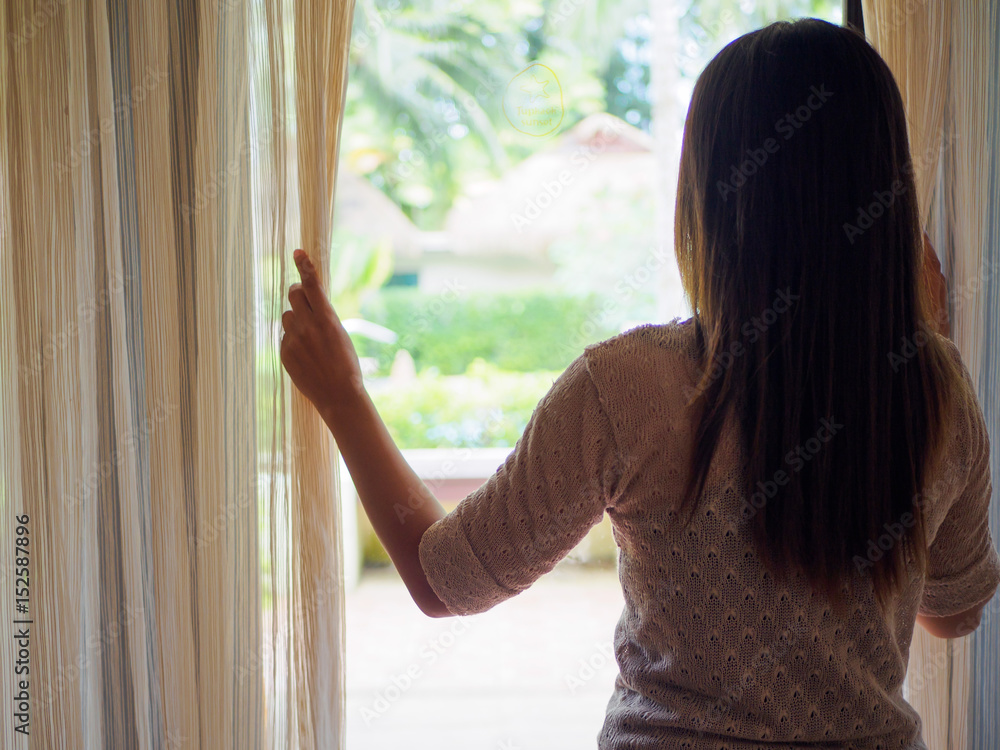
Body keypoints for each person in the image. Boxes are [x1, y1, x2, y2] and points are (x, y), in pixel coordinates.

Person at [278, 17, 999, 750]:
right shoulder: (938, 395)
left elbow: (447, 581)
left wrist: (343, 398)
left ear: (713, 197)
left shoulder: (631, 389)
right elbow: (953, 609)